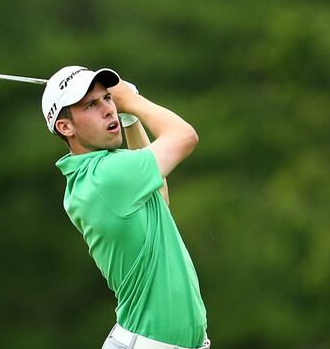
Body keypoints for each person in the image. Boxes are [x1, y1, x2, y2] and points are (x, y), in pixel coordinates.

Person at [41, 66, 210, 349]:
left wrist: (130, 118)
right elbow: (184, 137)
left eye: (108, 98)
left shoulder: (97, 175)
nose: (109, 109)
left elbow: (159, 198)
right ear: (65, 127)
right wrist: (132, 101)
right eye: (91, 105)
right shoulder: (106, 176)